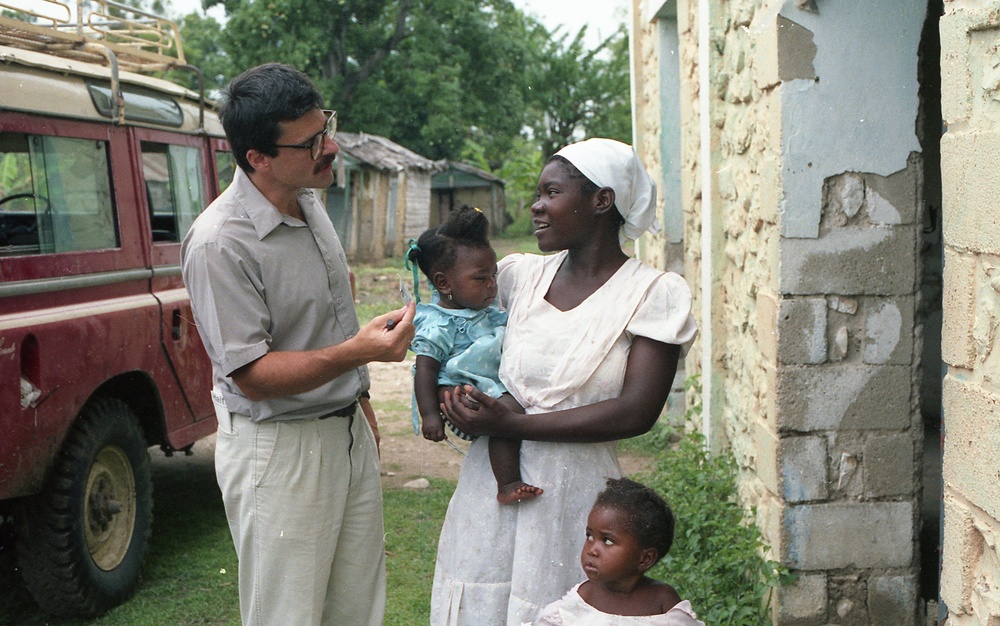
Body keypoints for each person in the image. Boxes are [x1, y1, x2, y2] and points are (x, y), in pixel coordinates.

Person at [180, 63, 415, 626]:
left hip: (344, 432)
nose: (330, 146)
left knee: (355, 608)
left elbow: (326, 326)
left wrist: (358, 407)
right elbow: (253, 375)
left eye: (326, 126)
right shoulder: (220, 242)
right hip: (279, 450)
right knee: (288, 614)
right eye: (311, 142)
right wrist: (359, 354)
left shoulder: (310, 201)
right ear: (257, 157)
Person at [430, 138, 698, 625]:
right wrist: (453, 396)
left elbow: (636, 412)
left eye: (550, 192)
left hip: (578, 502)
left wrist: (511, 424)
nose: (536, 206)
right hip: (489, 488)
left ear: (601, 200)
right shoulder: (516, 278)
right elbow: (451, 337)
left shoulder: (651, 295)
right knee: (483, 599)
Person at [408, 205, 542, 504]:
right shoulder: (439, 323)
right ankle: (507, 483)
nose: (493, 284)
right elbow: (425, 369)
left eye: (493, 275)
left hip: (490, 387)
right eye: (481, 278)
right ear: (444, 283)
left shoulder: (486, 312)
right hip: (465, 395)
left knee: (509, 413)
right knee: (506, 417)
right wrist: (430, 415)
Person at [532, 477, 705, 626]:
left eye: (607, 541)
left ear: (645, 558)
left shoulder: (662, 602)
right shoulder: (581, 600)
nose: (592, 550)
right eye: (590, 536)